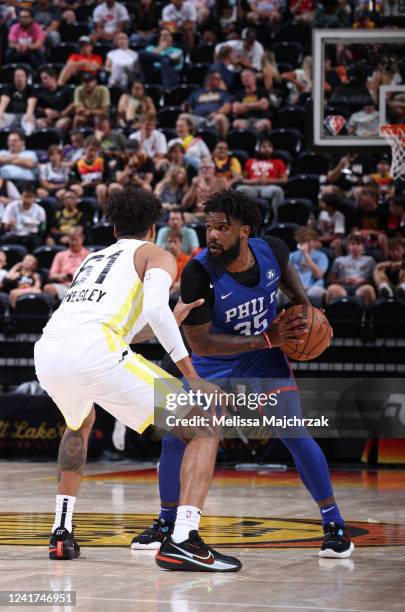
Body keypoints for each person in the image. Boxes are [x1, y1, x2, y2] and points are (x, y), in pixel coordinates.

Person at [131, 189, 354, 560]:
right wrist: (269, 338)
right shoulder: (199, 272)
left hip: (262, 361)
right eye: (208, 227)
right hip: (212, 363)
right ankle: (167, 523)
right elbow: (200, 344)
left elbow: (287, 275)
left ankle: (334, 526)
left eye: (222, 227)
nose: (212, 235)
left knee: (293, 431)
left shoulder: (273, 250)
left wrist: (305, 308)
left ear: (245, 231)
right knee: (176, 440)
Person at [34, 186, 242, 572]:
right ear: (153, 226)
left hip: (48, 351)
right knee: (204, 425)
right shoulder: (157, 253)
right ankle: (183, 540)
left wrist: (172, 317)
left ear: (114, 228)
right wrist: (191, 376)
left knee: (78, 424)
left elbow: (128, 329)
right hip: (94, 350)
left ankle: (61, 532)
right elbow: (153, 310)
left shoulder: (93, 259)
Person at [237, 137, 288, 223]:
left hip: (269, 187)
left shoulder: (278, 162)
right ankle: (240, 218)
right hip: (252, 187)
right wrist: (252, 181)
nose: (266, 149)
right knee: (240, 189)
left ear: (272, 149)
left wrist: (269, 181)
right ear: (259, 149)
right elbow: (242, 179)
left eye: (269, 147)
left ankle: (277, 219)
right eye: (264, 147)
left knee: (278, 190)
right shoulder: (250, 161)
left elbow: (285, 180)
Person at [326, 233, 376, 306]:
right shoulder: (339, 260)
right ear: (348, 246)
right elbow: (330, 279)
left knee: (369, 289)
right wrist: (344, 280)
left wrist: (362, 281)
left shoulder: (370, 260)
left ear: (363, 247)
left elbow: (373, 281)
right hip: (342, 287)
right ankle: (329, 316)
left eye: (358, 244)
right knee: (332, 288)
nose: (355, 246)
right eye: (352, 244)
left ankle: (368, 316)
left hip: (360, 287)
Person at [44, 226, 89, 301]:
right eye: (71, 240)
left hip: (83, 287)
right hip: (65, 287)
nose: (73, 243)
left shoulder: (89, 255)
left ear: (82, 239)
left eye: (75, 240)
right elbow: (51, 275)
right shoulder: (60, 255)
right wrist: (63, 276)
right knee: (48, 288)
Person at [288, 227, 328, 307]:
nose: (306, 244)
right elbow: (286, 275)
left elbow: (318, 275)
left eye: (309, 241)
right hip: (295, 288)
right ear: (299, 242)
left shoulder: (321, 256)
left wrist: (306, 254)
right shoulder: (292, 256)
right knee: (279, 292)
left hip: (313, 287)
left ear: (314, 241)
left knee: (316, 292)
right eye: (303, 241)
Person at [186, 71, 232, 139]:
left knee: (220, 118)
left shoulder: (223, 93)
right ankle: (187, 143)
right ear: (209, 79)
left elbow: (227, 107)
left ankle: (222, 142)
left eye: (220, 79)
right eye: (217, 78)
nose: (219, 81)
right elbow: (188, 105)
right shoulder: (197, 93)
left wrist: (216, 113)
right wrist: (187, 109)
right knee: (183, 117)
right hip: (198, 118)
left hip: (215, 117)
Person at [1, 183, 45, 251]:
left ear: (35, 198)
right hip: (15, 234)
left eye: (30, 197)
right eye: (25, 196)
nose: (27, 199)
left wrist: (36, 226)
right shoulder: (11, 206)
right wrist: (9, 224)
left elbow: (42, 228)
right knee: (3, 239)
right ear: (21, 196)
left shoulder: (40, 210)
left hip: (31, 235)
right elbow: (5, 227)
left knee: (36, 241)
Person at [181, 157, 227, 223]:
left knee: (225, 218)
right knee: (183, 217)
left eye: (207, 167)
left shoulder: (221, 181)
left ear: (213, 169)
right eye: (202, 168)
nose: (205, 170)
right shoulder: (196, 182)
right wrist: (193, 186)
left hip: (215, 216)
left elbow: (230, 202)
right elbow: (184, 204)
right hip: (198, 216)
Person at [232, 68, 271, 132]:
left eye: (248, 76)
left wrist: (244, 105)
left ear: (254, 77)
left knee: (265, 123)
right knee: (236, 123)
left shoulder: (262, 91)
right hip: (244, 120)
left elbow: (264, 105)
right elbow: (236, 109)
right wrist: (256, 105)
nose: (245, 78)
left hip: (260, 119)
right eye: (243, 77)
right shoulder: (238, 93)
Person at [0, 67, 37, 136]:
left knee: (29, 122)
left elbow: (31, 104)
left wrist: (29, 114)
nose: (20, 78)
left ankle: (27, 139)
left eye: (22, 76)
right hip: (11, 115)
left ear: (26, 78)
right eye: (17, 76)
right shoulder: (9, 88)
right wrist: (0, 112)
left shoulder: (31, 89)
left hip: (24, 115)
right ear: (14, 78)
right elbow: (4, 102)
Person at [36, 67, 75, 132]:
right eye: (42, 79)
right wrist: (45, 110)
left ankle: (59, 141)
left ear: (53, 77)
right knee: (39, 122)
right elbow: (38, 107)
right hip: (49, 118)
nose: (43, 81)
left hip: (63, 116)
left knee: (60, 124)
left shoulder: (65, 90)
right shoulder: (41, 93)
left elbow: (73, 104)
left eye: (45, 78)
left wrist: (62, 113)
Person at [165, 228, 190, 297]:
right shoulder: (163, 259)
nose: (172, 245)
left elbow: (181, 284)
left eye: (175, 242)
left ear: (180, 243)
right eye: (170, 242)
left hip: (177, 295)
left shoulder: (187, 260)